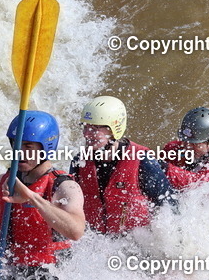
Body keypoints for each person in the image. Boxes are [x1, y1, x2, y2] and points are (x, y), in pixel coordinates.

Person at [0, 110, 85, 280]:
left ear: (46, 147)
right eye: (15, 145)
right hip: (7, 272)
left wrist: (32, 198)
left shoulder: (64, 186)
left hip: (50, 279)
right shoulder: (2, 182)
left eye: (28, 147)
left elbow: (76, 231)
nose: (19, 152)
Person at [70, 96, 175, 234]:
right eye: (85, 127)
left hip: (137, 243)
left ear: (114, 130)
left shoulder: (143, 161)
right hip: (97, 243)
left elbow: (170, 208)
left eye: (94, 128)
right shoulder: (79, 162)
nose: (86, 134)